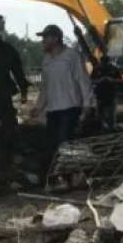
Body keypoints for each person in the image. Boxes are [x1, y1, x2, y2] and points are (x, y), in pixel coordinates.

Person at [37, 24, 94, 187]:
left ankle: (71, 177)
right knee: (53, 146)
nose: (43, 41)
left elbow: (83, 81)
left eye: (46, 37)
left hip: (70, 108)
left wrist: (87, 105)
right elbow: (45, 88)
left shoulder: (72, 56)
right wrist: (38, 107)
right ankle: (63, 178)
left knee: (65, 143)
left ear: (56, 38)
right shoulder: (46, 60)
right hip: (53, 111)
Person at [0, 22, 28, 180]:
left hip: (3, 91)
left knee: (8, 125)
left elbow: (18, 71)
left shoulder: (8, 50)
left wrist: (23, 90)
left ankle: (8, 156)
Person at [91, 54, 123, 132]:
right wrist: (100, 80)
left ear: (109, 62)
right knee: (100, 113)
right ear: (101, 62)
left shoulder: (114, 69)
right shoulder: (96, 69)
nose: (105, 64)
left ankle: (112, 127)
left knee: (111, 113)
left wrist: (111, 80)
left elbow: (121, 80)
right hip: (100, 94)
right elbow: (91, 80)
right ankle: (102, 127)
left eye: (106, 62)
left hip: (111, 93)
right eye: (103, 63)